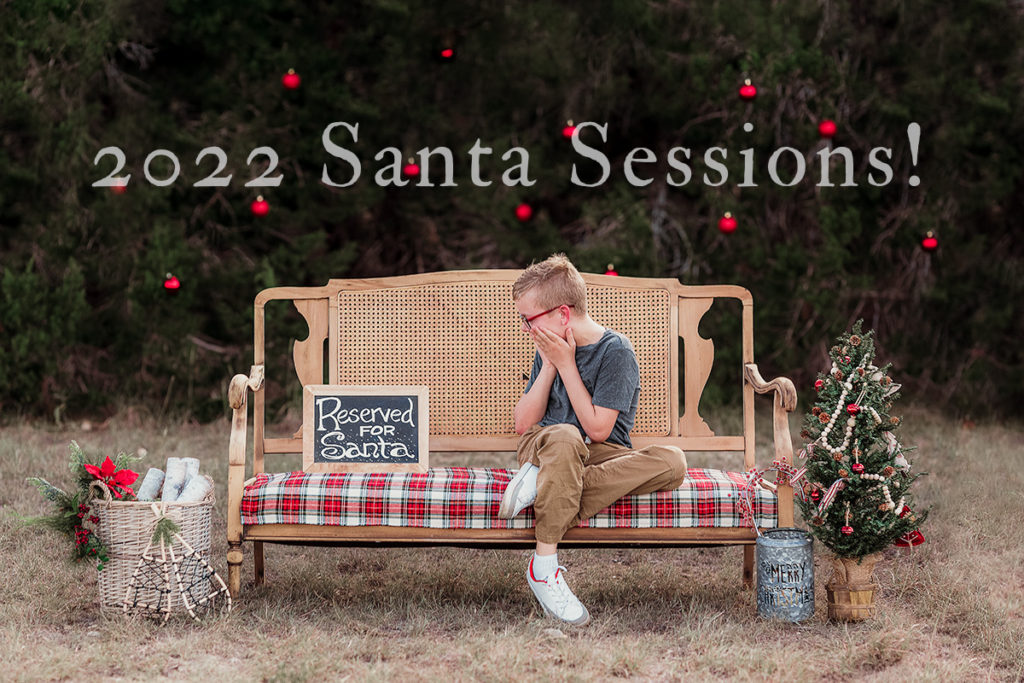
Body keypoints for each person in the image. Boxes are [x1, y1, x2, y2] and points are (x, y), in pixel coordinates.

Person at [499, 254, 687, 625]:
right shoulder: (548, 346)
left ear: (562, 314)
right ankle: (544, 564)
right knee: (566, 437)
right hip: (546, 444)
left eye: (527, 319)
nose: (525, 328)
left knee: (673, 462)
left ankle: (545, 484)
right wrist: (551, 364)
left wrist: (568, 365)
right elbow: (523, 423)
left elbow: (599, 430)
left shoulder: (616, 352)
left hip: (601, 454)